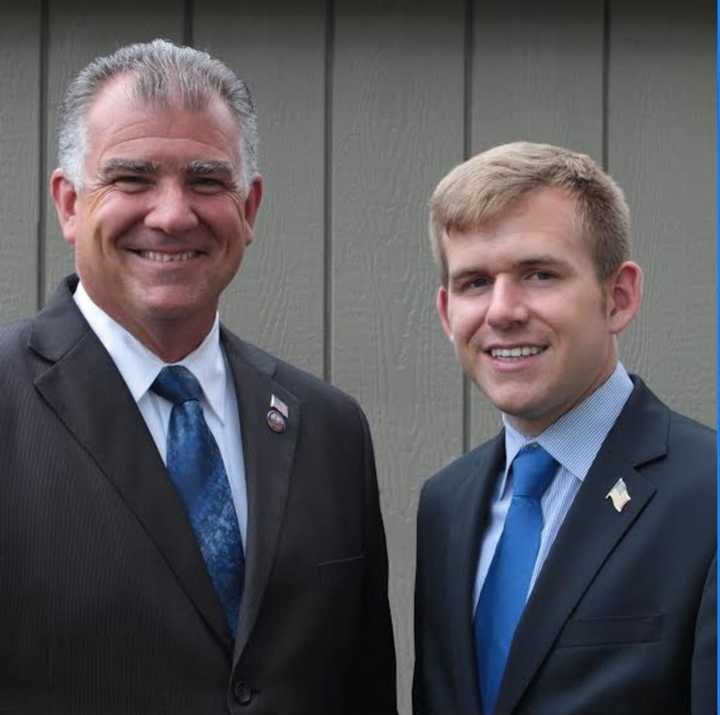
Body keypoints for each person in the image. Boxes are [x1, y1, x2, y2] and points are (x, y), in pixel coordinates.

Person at [0, 39, 397, 714]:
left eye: (207, 181)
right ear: (69, 203)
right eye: (132, 178)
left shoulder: (329, 428)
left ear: (249, 208)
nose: (173, 213)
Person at [413, 142, 715, 715]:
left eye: (539, 274)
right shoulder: (445, 505)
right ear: (447, 313)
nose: (502, 310)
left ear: (618, 297)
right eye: (475, 282)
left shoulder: (708, 495)